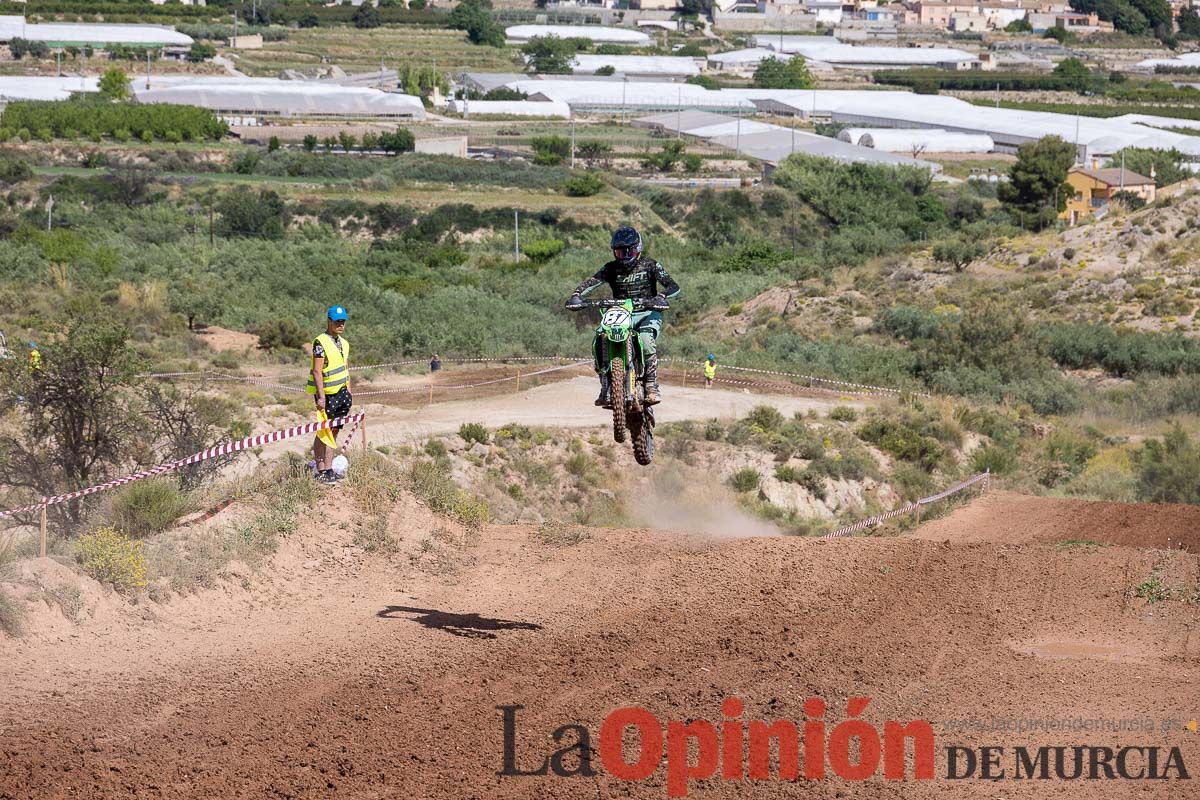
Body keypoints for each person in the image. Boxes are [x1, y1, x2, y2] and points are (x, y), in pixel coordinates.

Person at [567, 226, 680, 407]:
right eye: (620, 252)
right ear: (614, 252)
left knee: (646, 340)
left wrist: (662, 296)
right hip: (619, 312)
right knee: (600, 336)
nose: (626, 256)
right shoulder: (610, 268)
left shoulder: (650, 265)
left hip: (647, 311)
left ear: (639, 248)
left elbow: (673, 286)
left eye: (630, 251)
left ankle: (651, 385)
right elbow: (592, 282)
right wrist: (576, 294)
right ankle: (605, 385)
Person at [307, 305, 352, 484]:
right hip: (326, 395)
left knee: (333, 433)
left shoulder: (344, 343)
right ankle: (321, 470)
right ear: (329, 321)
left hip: (341, 393)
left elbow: (345, 369)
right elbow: (317, 372)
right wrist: (321, 397)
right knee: (323, 432)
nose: (340, 324)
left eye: (343, 321)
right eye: (337, 321)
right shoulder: (320, 343)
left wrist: (349, 392)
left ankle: (329, 468)